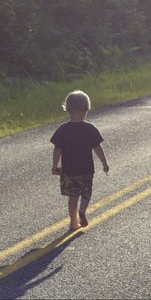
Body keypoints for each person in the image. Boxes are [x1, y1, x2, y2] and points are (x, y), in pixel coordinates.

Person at [50, 90, 109, 231]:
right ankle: (82, 210)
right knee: (86, 193)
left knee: (72, 196)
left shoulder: (63, 129)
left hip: (68, 170)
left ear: (68, 109)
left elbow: (57, 149)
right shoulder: (89, 129)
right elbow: (97, 148)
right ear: (86, 110)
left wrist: (54, 166)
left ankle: (73, 223)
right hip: (86, 170)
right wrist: (104, 163)